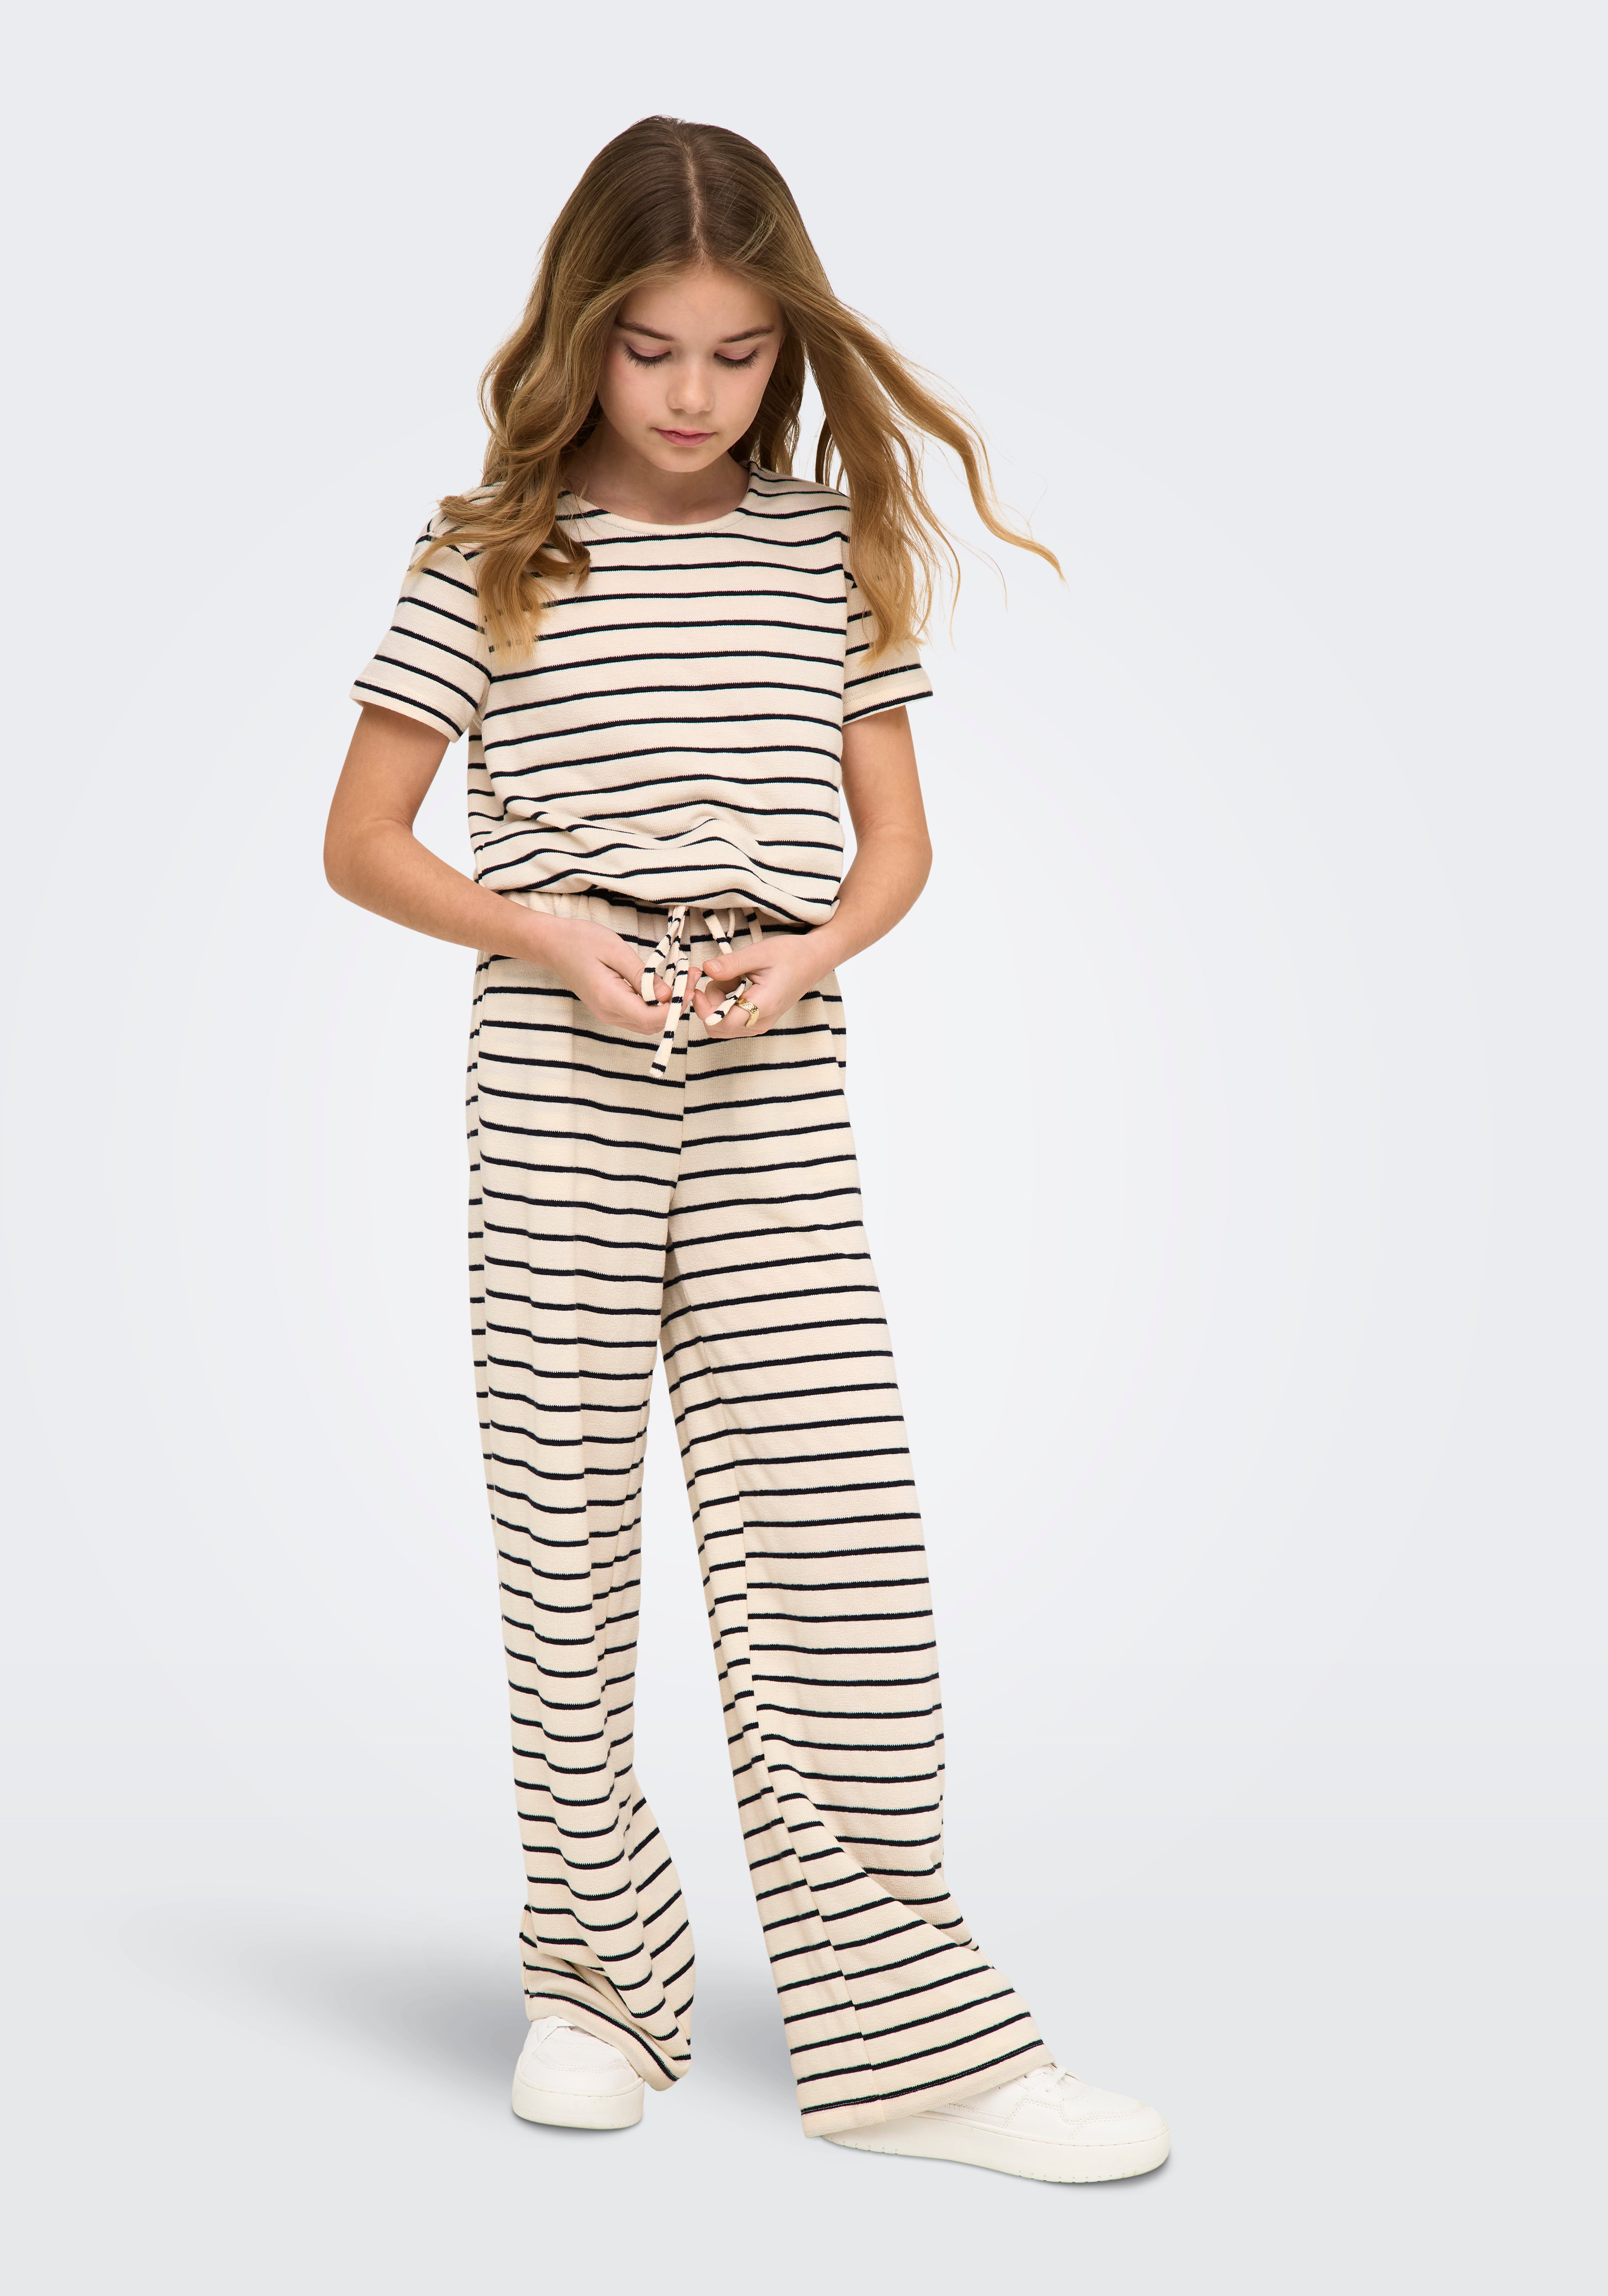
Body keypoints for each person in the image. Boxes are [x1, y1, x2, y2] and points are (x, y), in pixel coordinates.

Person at [323, 115, 1168, 2184]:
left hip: (773, 1058)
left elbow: (899, 844)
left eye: (735, 352)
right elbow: (360, 840)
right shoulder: (489, 551)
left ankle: (911, 2047)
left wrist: (814, 954)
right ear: (578, 336)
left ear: (787, 345)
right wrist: (545, 931)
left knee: (833, 1535)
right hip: (558, 1058)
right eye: (649, 350)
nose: (693, 394)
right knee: (566, 1524)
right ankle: (595, 1987)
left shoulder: (823, 548)